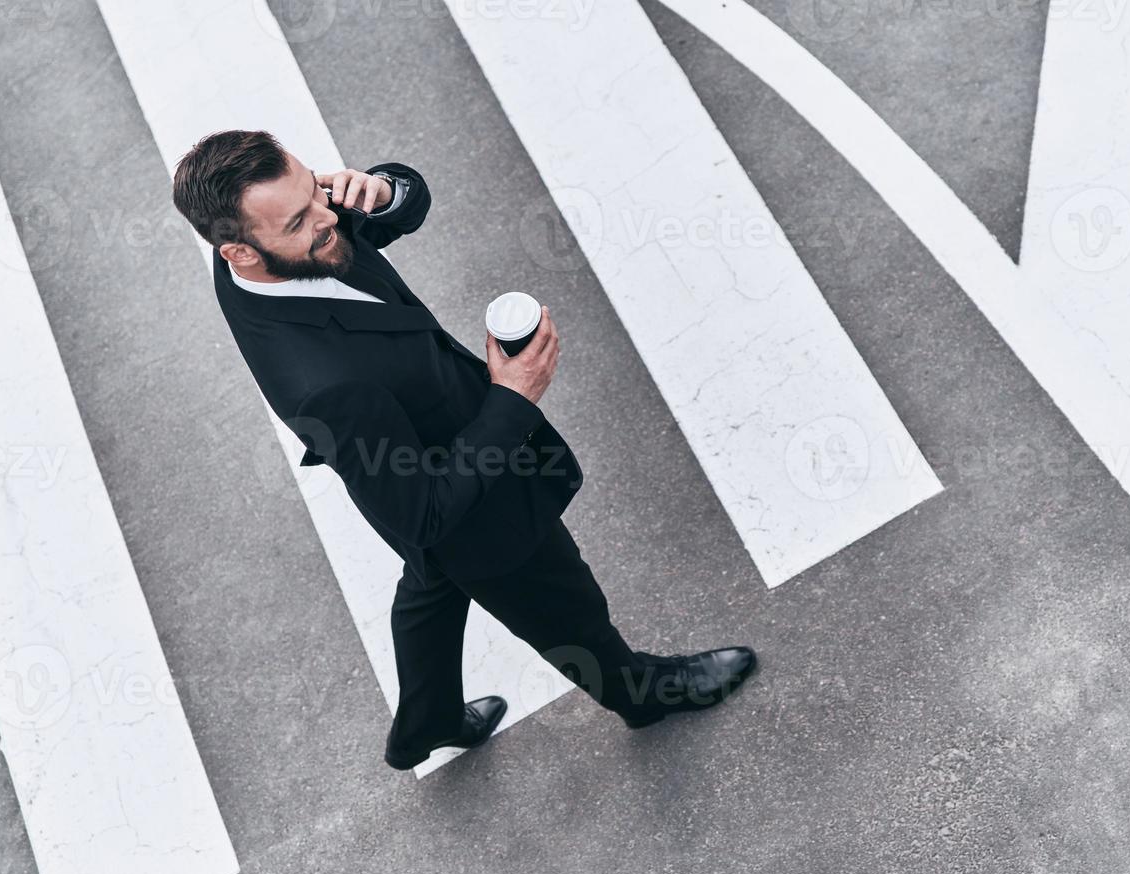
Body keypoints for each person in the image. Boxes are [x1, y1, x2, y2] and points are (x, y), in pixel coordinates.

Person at [170, 129, 758, 771]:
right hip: (465, 502)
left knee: (431, 579)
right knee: (568, 608)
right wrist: (515, 398)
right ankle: (640, 695)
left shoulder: (275, 253)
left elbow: (403, 210)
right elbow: (423, 514)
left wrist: (388, 189)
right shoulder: (325, 386)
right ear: (239, 250)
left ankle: (428, 722)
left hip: (415, 448)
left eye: (317, 190)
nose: (329, 216)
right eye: (301, 218)